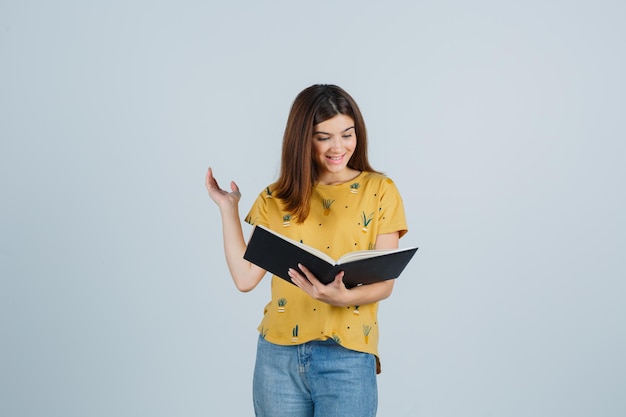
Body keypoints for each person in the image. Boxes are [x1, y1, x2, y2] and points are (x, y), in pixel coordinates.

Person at [205, 84, 408, 417]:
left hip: (348, 356)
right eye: (323, 137)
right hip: (278, 358)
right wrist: (228, 209)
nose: (338, 147)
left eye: (347, 134)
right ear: (302, 138)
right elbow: (244, 278)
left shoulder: (380, 191)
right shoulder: (277, 197)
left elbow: (385, 284)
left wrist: (341, 298)